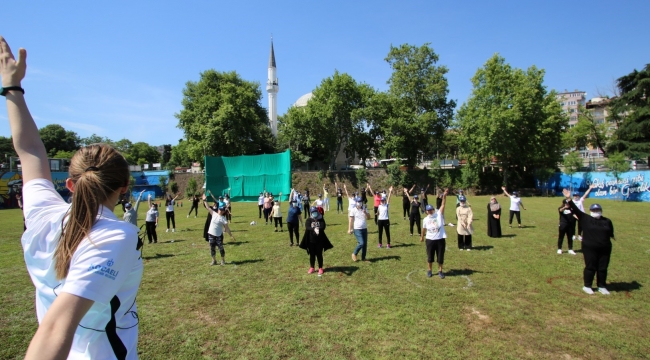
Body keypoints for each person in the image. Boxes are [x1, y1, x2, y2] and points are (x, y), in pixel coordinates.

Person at [2, 36, 143, 358]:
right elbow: (56, 327)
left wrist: (11, 88)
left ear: (70, 184)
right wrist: (13, 87)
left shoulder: (42, 214)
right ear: (124, 187)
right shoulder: (114, 236)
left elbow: (30, 152)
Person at [562, 188, 615, 295]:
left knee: (602, 268)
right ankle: (587, 286)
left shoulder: (607, 221)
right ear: (590, 211)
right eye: (594, 211)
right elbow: (575, 209)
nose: (596, 212)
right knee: (591, 266)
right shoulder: (585, 218)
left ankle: (602, 286)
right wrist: (569, 198)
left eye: (598, 210)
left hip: (605, 248)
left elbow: (610, 233)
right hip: (590, 248)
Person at [421, 189, 449, 278]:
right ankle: (429, 270)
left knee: (440, 256)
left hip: (440, 239)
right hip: (430, 239)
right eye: (428, 210)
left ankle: (440, 271)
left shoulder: (439, 215)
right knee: (430, 256)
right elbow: (424, 229)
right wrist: (422, 237)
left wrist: (444, 196)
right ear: (426, 211)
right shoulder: (425, 219)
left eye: (431, 210)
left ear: (433, 210)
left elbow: (443, 204)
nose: (430, 211)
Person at [299, 206, 334, 275]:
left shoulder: (321, 219)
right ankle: (312, 267)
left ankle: (320, 268)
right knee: (312, 255)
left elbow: (323, 226)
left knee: (319, 254)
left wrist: (318, 228)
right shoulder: (309, 220)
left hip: (319, 241)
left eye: (315, 212)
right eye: (313, 212)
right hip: (311, 241)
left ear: (317, 212)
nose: (314, 213)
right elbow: (307, 227)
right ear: (311, 213)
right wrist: (314, 229)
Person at [202, 194, 235, 265]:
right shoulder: (214, 213)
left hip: (218, 235)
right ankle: (214, 260)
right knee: (212, 248)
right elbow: (208, 207)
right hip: (211, 234)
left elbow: (227, 228)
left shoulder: (223, 219)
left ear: (223, 211)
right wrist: (204, 200)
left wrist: (231, 235)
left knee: (221, 248)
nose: (220, 210)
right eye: (220, 209)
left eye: (221, 210)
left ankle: (223, 260)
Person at [348, 197, 371, 261]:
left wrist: (365, 212)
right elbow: (351, 220)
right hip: (357, 229)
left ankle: (363, 258)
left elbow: (369, 217)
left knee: (365, 244)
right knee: (361, 243)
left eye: (361, 202)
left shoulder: (364, 208)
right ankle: (354, 253)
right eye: (358, 202)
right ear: (356, 202)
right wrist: (349, 229)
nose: (360, 203)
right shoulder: (353, 210)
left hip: (364, 228)